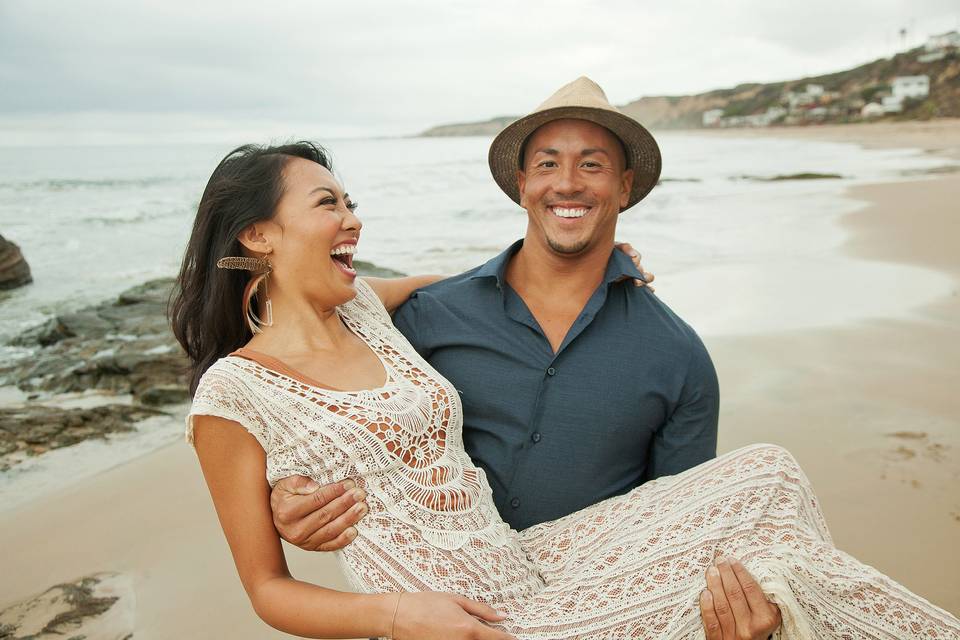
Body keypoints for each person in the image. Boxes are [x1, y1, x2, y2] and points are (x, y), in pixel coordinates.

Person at [174, 86, 960, 639]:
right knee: (796, 575)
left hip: (536, 562)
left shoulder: (371, 311)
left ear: (624, 186)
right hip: (462, 620)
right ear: (257, 236)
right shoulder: (238, 393)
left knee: (773, 480)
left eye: (350, 201)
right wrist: (391, 609)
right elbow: (267, 590)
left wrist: (603, 257)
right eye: (328, 205)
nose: (353, 218)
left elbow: (426, 282)